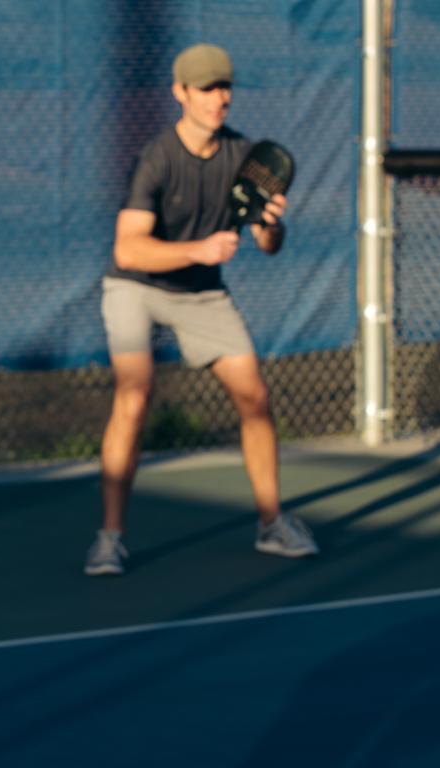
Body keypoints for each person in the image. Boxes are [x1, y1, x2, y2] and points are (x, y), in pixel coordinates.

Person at [85, 43, 319, 577]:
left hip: (201, 293)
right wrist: (199, 249)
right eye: (208, 88)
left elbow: (267, 243)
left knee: (254, 394)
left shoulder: (248, 157)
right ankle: (109, 538)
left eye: (225, 87)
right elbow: (128, 248)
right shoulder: (158, 157)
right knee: (135, 393)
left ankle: (271, 524)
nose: (220, 98)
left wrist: (273, 222)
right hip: (136, 287)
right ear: (181, 93)